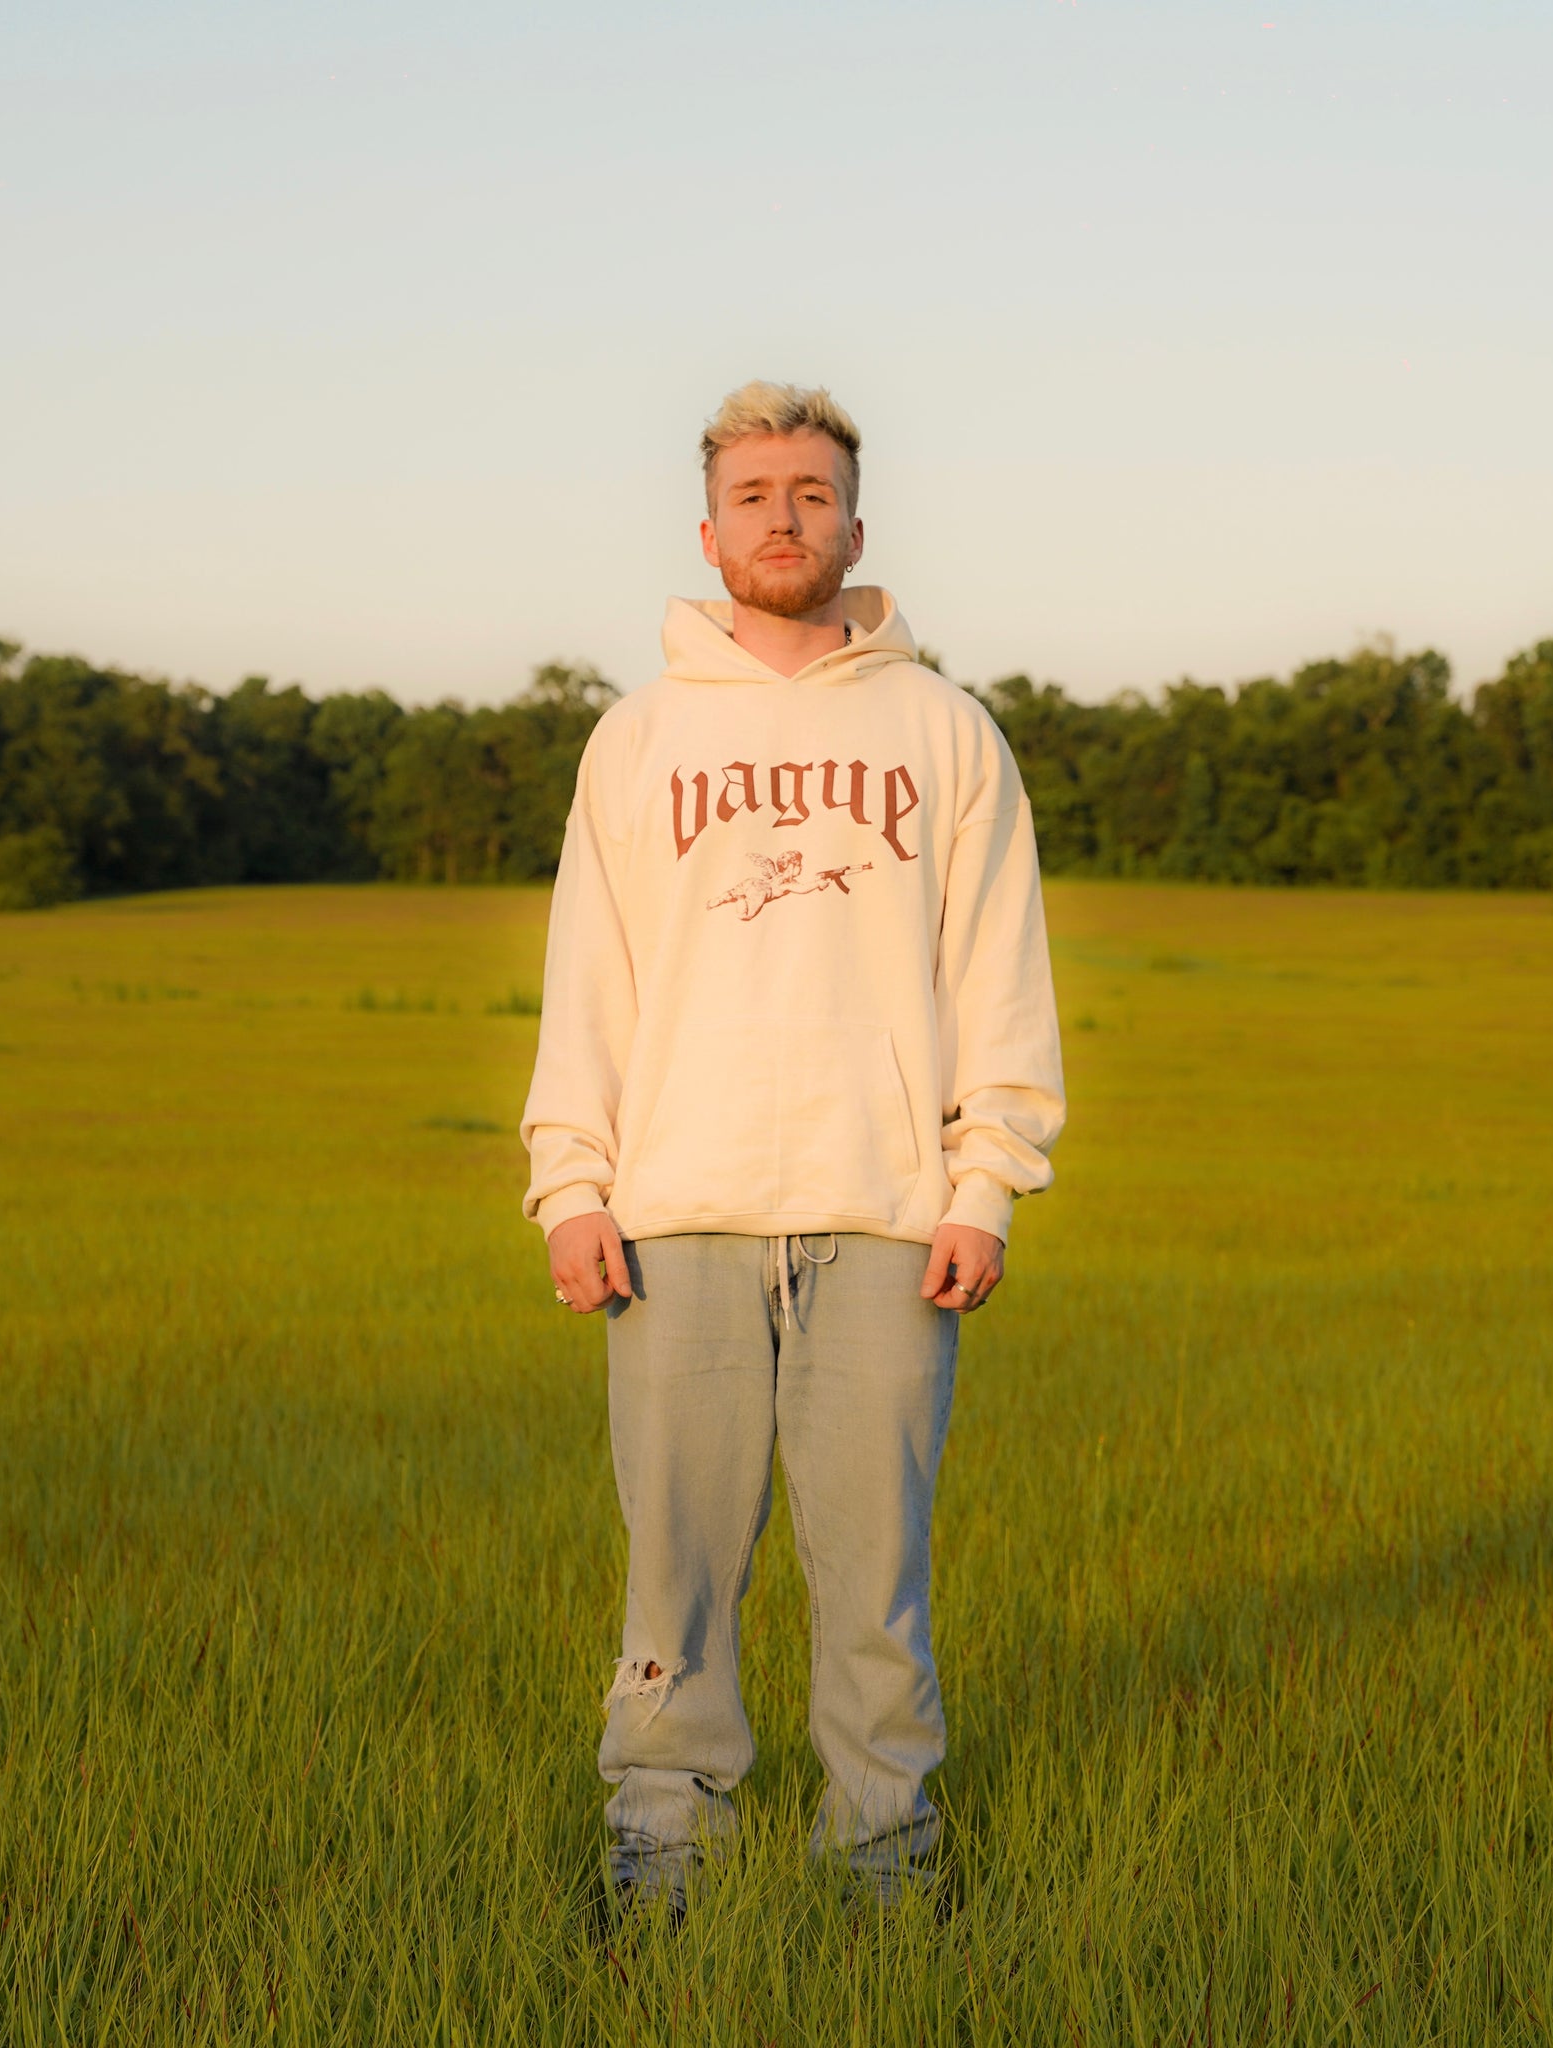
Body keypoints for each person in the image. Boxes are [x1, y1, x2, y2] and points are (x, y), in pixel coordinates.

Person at [520, 380, 1065, 1911]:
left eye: (812, 493)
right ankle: (662, 1862)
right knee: (676, 1576)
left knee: (877, 1586)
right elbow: (588, 981)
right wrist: (572, 1186)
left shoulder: (944, 732)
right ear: (710, 531)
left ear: (856, 525)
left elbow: (998, 975)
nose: (784, 517)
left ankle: (886, 1870)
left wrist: (986, 1186)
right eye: (756, 494)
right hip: (675, 1216)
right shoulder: (636, 741)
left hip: (888, 1222)